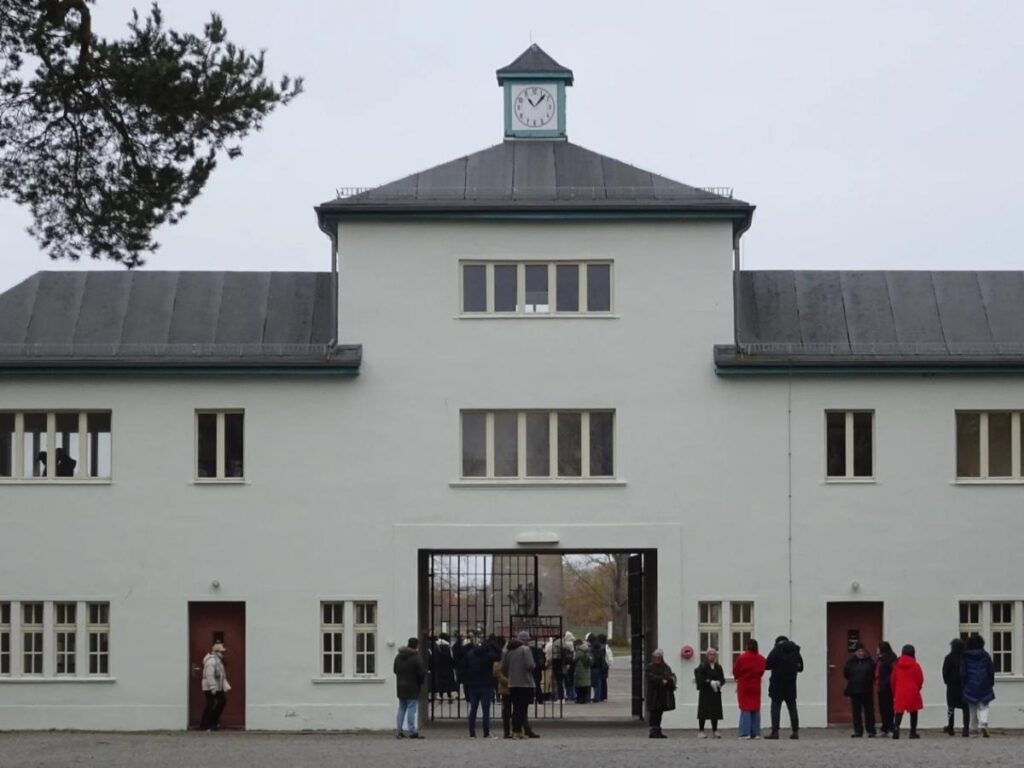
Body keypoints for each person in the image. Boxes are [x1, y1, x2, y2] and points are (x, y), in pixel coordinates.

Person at [461, 634, 501, 738]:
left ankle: (472, 732)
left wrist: (467, 681)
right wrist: (493, 645)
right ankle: (486, 732)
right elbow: (500, 655)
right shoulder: (487, 655)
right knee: (486, 711)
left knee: (473, 710)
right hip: (486, 684)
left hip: (473, 685)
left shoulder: (469, 654)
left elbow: (463, 667)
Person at [502, 631, 539, 739]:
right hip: (525, 683)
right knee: (522, 708)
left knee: (516, 707)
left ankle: (515, 730)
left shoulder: (509, 650)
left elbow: (504, 667)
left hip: (512, 683)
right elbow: (530, 665)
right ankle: (517, 730)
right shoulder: (525, 650)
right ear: (525, 640)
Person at [764, 635, 802, 739]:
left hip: (777, 683)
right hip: (791, 683)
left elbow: (767, 664)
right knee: (792, 708)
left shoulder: (776, 650)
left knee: (776, 708)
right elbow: (801, 667)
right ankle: (795, 731)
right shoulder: (795, 650)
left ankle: (775, 732)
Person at [960, 634, 995, 737]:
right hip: (984, 683)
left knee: (972, 708)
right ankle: (984, 723)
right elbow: (991, 670)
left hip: (970, 684)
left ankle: (973, 729)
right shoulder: (986, 655)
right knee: (984, 705)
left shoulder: (965, 656)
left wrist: (964, 684)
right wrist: (991, 682)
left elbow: (963, 672)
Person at [732, 638, 766, 739]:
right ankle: (755, 733)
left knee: (745, 707)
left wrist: (738, 677)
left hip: (744, 685)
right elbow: (761, 672)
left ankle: (745, 733)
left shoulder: (742, 658)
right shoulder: (761, 658)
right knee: (755, 707)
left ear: (747, 646)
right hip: (756, 685)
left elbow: (735, 671)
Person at [393, 637, 426, 739]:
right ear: (416, 646)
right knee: (411, 708)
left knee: (402, 708)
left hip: (400, 685)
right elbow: (421, 673)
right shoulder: (416, 658)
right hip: (413, 686)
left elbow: (395, 670)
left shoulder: (398, 656)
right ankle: (412, 730)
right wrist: (420, 682)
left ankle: (399, 730)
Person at [843, 642, 877, 737]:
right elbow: (846, 673)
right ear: (855, 652)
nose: (860, 653)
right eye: (858, 651)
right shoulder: (850, 662)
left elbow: (874, 673)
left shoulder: (869, 661)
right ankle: (858, 730)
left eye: (862, 651)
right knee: (856, 712)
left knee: (869, 711)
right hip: (855, 690)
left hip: (867, 690)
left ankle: (871, 730)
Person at [891, 644, 924, 739]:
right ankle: (913, 732)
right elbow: (920, 679)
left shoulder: (897, 665)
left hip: (900, 690)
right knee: (914, 712)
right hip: (913, 690)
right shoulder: (916, 665)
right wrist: (918, 688)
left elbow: (893, 679)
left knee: (898, 711)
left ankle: (896, 729)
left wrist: (894, 691)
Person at [694, 647, 725, 738]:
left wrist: (719, 683)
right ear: (707, 656)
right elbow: (700, 678)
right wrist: (709, 682)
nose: (712, 656)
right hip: (705, 692)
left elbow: (722, 679)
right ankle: (701, 730)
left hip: (715, 692)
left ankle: (715, 730)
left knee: (715, 711)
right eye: (710, 654)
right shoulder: (702, 666)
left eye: (714, 654)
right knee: (703, 711)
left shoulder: (718, 667)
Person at [645, 649, 677, 739]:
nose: (657, 659)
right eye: (655, 657)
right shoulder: (649, 667)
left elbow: (670, 676)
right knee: (653, 713)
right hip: (653, 694)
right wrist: (661, 680)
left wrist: (668, 680)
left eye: (659, 657)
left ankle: (658, 731)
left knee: (659, 713)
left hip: (662, 694)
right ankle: (653, 731)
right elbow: (650, 678)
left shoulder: (665, 667)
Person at [200, 642, 230, 731]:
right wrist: (212, 687)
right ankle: (207, 724)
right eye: (221, 652)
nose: (223, 653)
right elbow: (209, 674)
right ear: (217, 652)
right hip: (211, 687)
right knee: (211, 704)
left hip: (217, 686)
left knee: (220, 702)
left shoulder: (218, 661)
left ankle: (211, 722)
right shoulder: (211, 661)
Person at [942, 638, 968, 737]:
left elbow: (945, 672)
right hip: (963, 686)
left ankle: (950, 727)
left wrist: (947, 681)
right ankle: (965, 729)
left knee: (951, 708)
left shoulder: (948, 657)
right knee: (965, 708)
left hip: (952, 686)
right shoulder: (965, 657)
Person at [492, 636, 512, 738]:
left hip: (504, 685)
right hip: (510, 684)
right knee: (516, 708)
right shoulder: (505, 654)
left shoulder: (501, 654)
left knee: (507, 709)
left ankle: (508, 731)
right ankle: (514, 730)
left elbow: (497, 672)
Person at [876, 641, 897, 736]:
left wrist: (886, 682)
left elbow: (893, 672)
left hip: (887, 686)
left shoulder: (890, 659)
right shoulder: (881, 659)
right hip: (881, 686)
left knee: (888, 708)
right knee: (882, 708)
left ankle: (890, 726)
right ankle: (885, 726)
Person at [429, 633, 457, 700]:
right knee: (448, 682)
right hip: (447, 667)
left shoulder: (436, 645)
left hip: (439, 666)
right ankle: (449, 695)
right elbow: (451, 657)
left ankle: (440, 695)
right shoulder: (447, 646)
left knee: (440, 681)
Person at [573, 637, 592, 704]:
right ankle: (584, 699)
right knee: (585, 686)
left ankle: (580, 699)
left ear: (577, 644)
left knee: (579, 687)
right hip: (586, 670)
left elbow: (575, 659)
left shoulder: (579, 651)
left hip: (580, 671)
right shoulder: (586, 649)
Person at [562, 631, 577, 702]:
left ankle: (570, 694)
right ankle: (573, 694)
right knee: (571, 680)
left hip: (569, 664)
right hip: (573, 664)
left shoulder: (567, 644)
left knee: (568, 681)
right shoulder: (573, 643)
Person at [601, 636, 614, 701]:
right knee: (604, 681)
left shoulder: (604, 648)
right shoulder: (607, 648)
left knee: (602, 681)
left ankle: (602, 695)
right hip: (606, 666)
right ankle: (604, 695)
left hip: (604, 666)